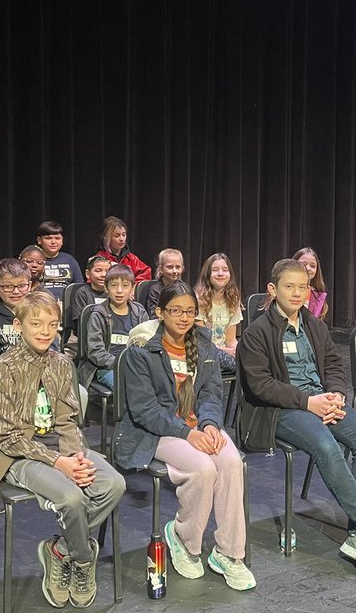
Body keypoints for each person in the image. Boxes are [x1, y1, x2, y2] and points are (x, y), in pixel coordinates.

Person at [237, 258, 356, 576]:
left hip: (323, 401)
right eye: (289, 287)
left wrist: (336, 394)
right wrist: (308, 402)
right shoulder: (256, 333)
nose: (297, 293)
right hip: (282, 411)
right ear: (272, 290)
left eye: (303, 287)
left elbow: (334, 364)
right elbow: (261, 386)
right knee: (327, 446)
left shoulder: (314, 326)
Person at [0, 291, 125, 609]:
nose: (44, 331)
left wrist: (76, 455)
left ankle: (61, 551)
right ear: (18, 325)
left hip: (60, 448)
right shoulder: (1, 370)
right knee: (71, 497)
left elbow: (68, 420)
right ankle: (83, 560)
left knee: (113, 484)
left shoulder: (62, 364)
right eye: (36, 323)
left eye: (52, 324)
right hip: (15, 454)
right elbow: (8, 436)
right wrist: (59, 463)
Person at [116, 282, 255, 590]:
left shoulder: (204, 344)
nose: (183, 318)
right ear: (160, 312)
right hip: (159, 430)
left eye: (190, 312)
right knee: (203, 469)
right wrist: (187, 433)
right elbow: (144, 410)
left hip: (196, 426)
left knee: (231, 463)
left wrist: (209, 425)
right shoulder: (143, 349)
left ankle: (229, 554)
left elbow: (211, 393)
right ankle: (183, 538)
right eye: (175, 311)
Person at [78, 264, 149, 389]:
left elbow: (148, 343)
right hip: (107, 368)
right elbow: (95, 351)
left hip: (136, 366)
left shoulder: (139, 312)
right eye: (114, 285)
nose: (119, 290)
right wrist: (122, 363)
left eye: (125, 286)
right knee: (129, 387)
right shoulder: (98, 315)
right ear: (106, 288)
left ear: (132, 289)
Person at [195, 253, 243, 374]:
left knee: (250, 358)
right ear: (207, 274)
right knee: (236, 365)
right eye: (215, 270)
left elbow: (231, 340)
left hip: (224, 351)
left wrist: (239, 350)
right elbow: (201, 341)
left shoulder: (234, 299)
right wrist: (226, 351)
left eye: (225, 270)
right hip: (203, 350)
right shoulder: (198, 299)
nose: (220, 273)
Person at [66, 256, 113, 351]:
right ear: (88, 274)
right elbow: (79, 324)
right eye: (98, 271)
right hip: (87, 338)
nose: (103, 274)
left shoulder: (113, 293)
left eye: (107, 271)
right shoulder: (82, 293)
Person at [94, 216, 152, 281]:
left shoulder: (131, 258)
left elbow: (146, 272)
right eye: (117, 235)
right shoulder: (98, 259)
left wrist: (131, 285)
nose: (122, 239)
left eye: (124, 235)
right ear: (106, 238)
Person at [35, 220, 83, 297]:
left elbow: (79, 287)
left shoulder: (70, 260)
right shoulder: (32, 261)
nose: (53, 242)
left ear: (62, 241)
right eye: (48, 238)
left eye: (57, 238)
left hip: (67, 305)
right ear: (39, 240)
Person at [141, 248, 185, 313]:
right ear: (161, 269)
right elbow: (154, 315)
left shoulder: (184, 288)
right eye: (170, 267)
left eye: (178, 267)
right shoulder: (155, 290)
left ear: (182, 268)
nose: (174, 271)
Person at [293, 247, 329, 322]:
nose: (308, 268)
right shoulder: (282, 291)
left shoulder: (318, 297)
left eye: (312, 266)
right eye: (303, 264)